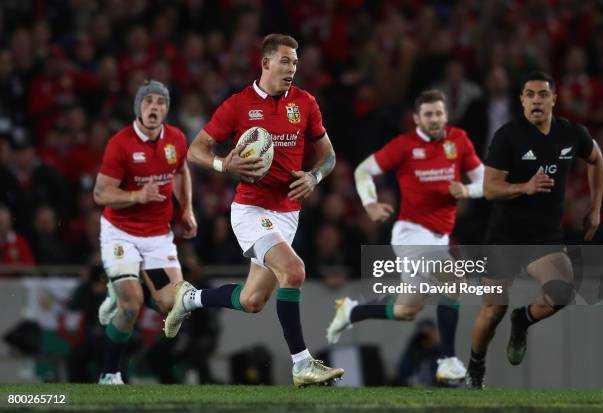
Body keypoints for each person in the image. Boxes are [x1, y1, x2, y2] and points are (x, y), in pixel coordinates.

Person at [164, 34, 344, 387]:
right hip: (250, 209)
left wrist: (314, 176)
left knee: (252, 300)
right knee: (293, 271)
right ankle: (302, 364)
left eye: (295, 61)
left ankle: (189, 298)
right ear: (265, 63)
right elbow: (195, 150)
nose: (292, 68)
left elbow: (330, 156)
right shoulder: (238, 105)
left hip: (287, 213)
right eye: (285, 61)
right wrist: (222, 165)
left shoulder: (305, 103)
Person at [326, 89, 484, 385]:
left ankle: (352, 311)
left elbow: (483, 180)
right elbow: (362, 171)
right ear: (417, 119)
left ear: (446, 115)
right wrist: (370, 203)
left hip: (438, 238)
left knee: (406, 310)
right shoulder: (404, 145)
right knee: (455, 280)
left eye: (438, 113)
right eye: (428, 115)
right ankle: (448, 361)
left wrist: (468, 190)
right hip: (410, 232)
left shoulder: (459, 140)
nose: (434, 119)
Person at [465, 71, 603, 389]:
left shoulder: (572, 134)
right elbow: (490, 188)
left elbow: (596, 159)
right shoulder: (508, 136)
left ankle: (523, 319)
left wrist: (594, 208)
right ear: (522, 101)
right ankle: (476, 369)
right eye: (530, 95)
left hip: (544, 238)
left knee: (561, 292)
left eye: (543, 94)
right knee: (493, 310)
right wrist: (525, 187)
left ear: (554, 99)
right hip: (504, 237)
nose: (536, 100)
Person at [93, 79, 197, 384]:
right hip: (120, 232)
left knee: (172, 303)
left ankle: (125, 282)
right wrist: (136, 196)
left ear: (167, 109)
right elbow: (100, 194)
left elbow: (180, 171)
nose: (155, 107)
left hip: (156, 236)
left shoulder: (176, 138)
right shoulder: (121, 142)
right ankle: (109, 374)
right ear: (138, 106)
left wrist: (187, 209)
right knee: (131, 305)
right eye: (149, 101)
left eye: (161, 102)